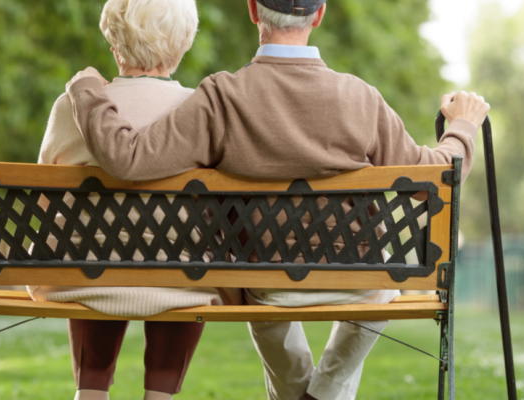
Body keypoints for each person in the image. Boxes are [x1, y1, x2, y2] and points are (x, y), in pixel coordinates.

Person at [64, 0, 490, 399]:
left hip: (266, 281)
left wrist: (86, 88)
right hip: (361, 276)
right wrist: (463, 128)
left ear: (253, 10)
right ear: (319, 14)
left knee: (260, 287)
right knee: (384, 290)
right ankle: (321, 393)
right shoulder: (360, 97)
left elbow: (129, 158)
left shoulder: (222, 96)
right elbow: (433, 178)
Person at [26, 1, 239, 399]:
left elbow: (46, 203)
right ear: (184, 43)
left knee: (92, 249)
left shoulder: (70, 108)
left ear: (113, 42)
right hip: (182, 282)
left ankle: (90, 390)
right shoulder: (201, 110)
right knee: (180, 255)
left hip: (82, 278)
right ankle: (160, 394)